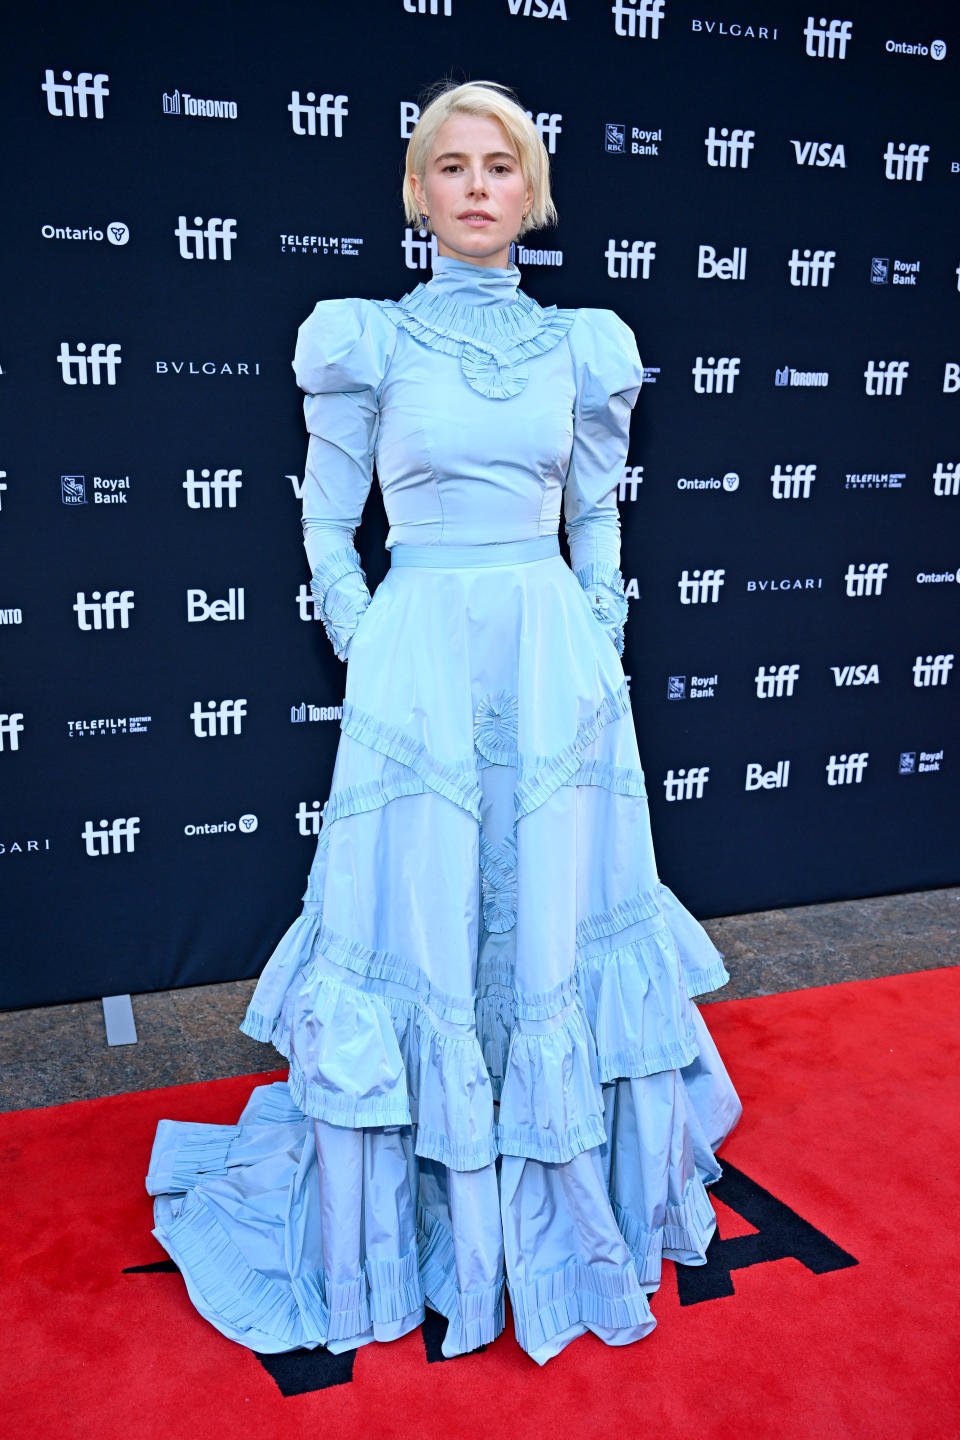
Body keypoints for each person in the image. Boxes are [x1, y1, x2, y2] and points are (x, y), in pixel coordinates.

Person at [146, 80, 742, 1367]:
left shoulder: (586, 344)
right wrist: (370, 638)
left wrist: (596, 636)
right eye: (452, 166)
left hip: (549, 661)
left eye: (502, 167)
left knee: (545, 931)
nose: (478, 186)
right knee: (417, 919)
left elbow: (597, 515)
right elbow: (326, 516)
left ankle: (550, 1210)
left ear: (533, 193)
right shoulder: (361, 339)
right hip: (419, 652)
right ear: (416, 192)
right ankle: (421, 1229)